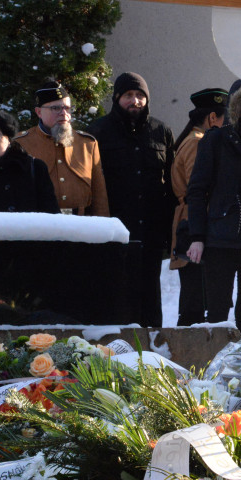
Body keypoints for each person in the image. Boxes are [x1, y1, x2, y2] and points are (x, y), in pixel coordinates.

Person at [88, 72, 176, 327]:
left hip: (151, 228)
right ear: (117, 98)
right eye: (129, 95)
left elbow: (171, 181)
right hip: (115, 229)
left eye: (140, 96)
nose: (135, 101)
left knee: (150, 295)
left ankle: (153, 350)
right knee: (117, 293)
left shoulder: (162, 131)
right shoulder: (99, 131)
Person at [185, 83, 241, 339]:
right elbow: (197, 191)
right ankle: (215, 368)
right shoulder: (216, 139)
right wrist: (197, 236)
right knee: (217, 311)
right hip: (220, 235)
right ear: (234, 104)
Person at [170, 88, 228, 326]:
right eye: (225, 118)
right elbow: (199, 190)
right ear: (213, 118)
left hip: (191, 220)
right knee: (196, 304)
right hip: (195, 223)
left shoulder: (192, 140)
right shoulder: (198, 143)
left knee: (196, 299)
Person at [14, 80, 108, 216]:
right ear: (39, 112)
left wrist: (102, 229)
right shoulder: (21, 144)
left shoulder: (87, 143)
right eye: (56, 108)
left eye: (67, 108)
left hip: (81, 225)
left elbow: (100, 196)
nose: (64, 113)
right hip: (40, 226)